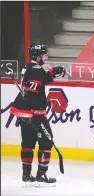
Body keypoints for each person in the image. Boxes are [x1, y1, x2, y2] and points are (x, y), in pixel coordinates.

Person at [9, 44, 65, 186]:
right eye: (44, 55)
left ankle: (26, 175)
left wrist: (51, 73)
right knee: (46, 142)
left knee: (28, 143)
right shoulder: (36, 71)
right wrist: (34, 116)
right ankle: (41, 175)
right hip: (34, 113)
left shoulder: (29, 67)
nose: (46, 57)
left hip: (23, 113)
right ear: (38, 57)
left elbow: (40, 81)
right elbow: (31, 92)